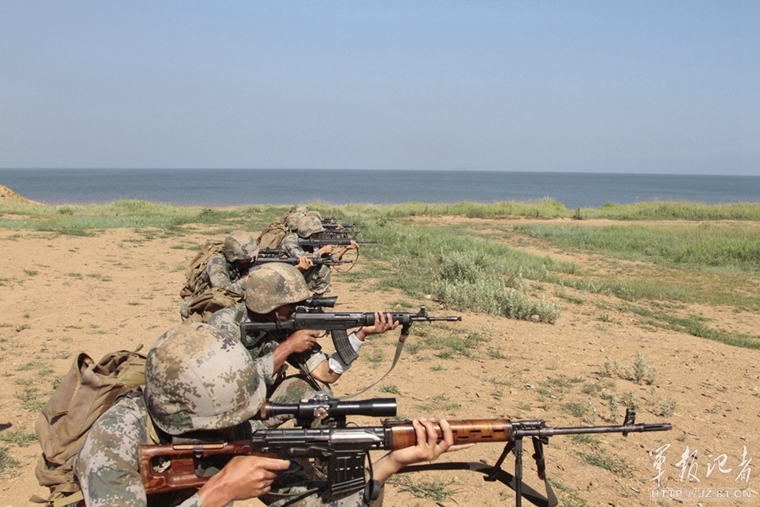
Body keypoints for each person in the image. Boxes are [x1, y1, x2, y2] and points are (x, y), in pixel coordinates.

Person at [73, 322, 468, 507]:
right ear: (182, 422)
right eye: (225, 425)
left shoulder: (233, 427)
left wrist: (387, 466)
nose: (239, 427)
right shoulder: (113, 447)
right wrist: (217, 493)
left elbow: (309, 504)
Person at [208, 263, 396, 419]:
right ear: (269, 303)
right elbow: (226, 387)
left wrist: (360, 335)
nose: (295, 309)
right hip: (225, 419)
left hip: (262, 407)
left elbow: (326, 373)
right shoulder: (226, 324)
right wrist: (288, 346)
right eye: (290, 304)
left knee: (318, 392)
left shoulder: (286, 324)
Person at [180, 230, 259, 321]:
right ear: (232, 256)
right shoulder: (216, 263)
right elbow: (223, 292)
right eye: (246, 258)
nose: (250, 259)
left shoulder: (241, 264)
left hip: (228, 302)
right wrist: (246, 281)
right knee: (239, 317)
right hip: (205, 306)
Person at [279, 215, 357, 295]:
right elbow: (303, 258)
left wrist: (346, 249)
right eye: (317, 233)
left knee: (324, 267)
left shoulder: (312, 241)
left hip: (298, 272)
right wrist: (322, 250)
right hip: (282, 275)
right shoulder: (290, 240)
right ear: (308, 233)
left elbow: (328, 260)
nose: (319, 235)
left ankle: (317, 300)